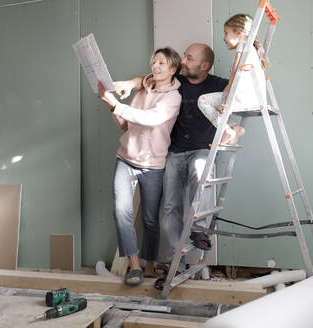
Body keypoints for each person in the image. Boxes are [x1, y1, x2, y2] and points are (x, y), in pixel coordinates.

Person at [116, 43, 228, 289]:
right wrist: (128, 83)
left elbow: (238, 91)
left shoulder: (217, 84)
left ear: (204, 65)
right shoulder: (177, 81)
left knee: (201, 173)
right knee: (169, 209)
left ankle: (199, 230)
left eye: (189, 57)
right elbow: (143, 80)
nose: (184, 61)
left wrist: (235, 129)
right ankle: (175, 262)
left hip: (201, 149)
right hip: (174, 152)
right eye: (184, 57)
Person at [97, 47, 182, 286]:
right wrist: (110, 105)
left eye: (161, 63)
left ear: (173, 69)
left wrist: (116, 104)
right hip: (125, 159)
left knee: (150, 219)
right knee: (121, 212)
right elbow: (126, 125)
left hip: (153, 165)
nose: (155, 67)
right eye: (154, 62)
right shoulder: (143, 89)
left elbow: (151, 119)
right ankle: (134, 267)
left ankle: (151, 265)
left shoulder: (173, 98)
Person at [197, 13, 270, 145]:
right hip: (255, 98)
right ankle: (234, 129)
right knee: (217, 106)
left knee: (203, 101)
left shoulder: (242, 47)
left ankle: (227, 130)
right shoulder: (254, 50)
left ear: (239, 33)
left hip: (241, 99)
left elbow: (235, 74)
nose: (224, 38)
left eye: (226, 33)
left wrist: (228, 98)